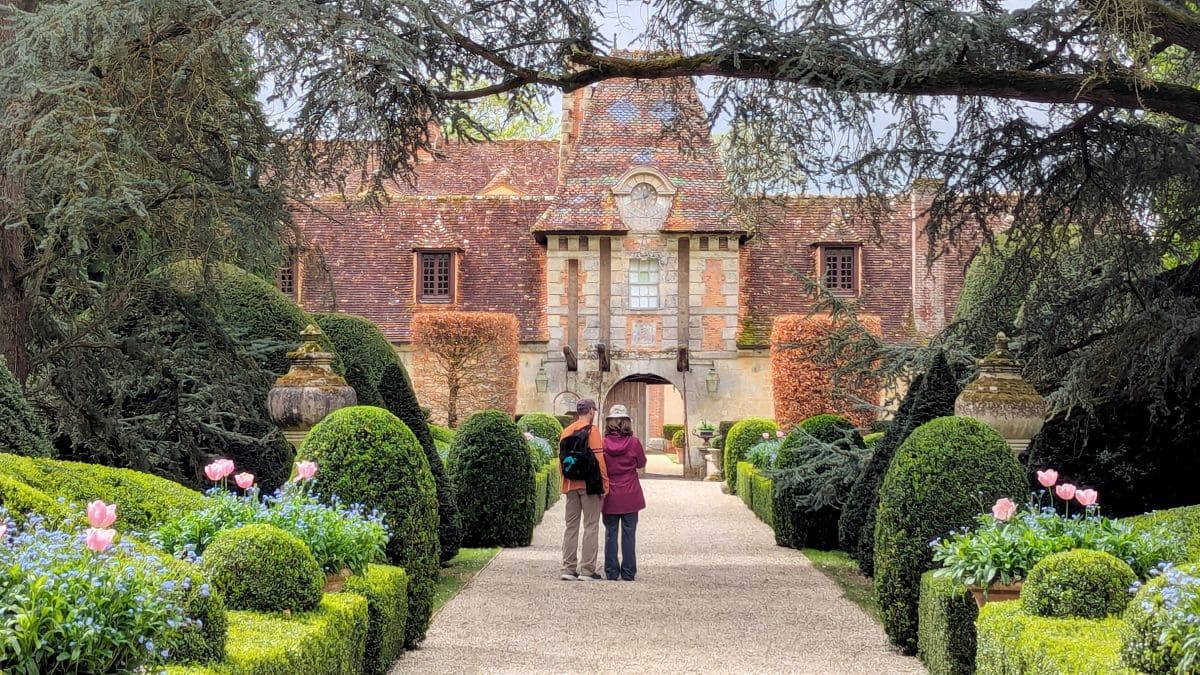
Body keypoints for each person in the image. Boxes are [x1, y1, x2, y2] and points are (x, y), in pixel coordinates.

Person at [559, 399, 609, 581]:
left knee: (570, 527)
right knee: (590, 526)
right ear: (590, 412)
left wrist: (563, 483)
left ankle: (568, 568)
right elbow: (599, 459)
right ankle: (587, 570)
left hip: (570, 484)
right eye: (594, 410)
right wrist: (605, 484)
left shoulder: (566, 431)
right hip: (589, 485)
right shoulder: (592, 431)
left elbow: (561, 461)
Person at [600, 405, 646, 581]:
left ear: (609, 422)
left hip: (610, 492)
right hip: (630, 492)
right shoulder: (633, 442)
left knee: (610, 533)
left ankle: (611, 571)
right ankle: (628, 572)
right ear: (627, 422)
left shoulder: (603, 443)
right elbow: (641, 463)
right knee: (629, 533)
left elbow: (600, 466)